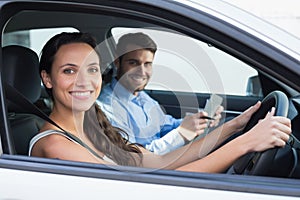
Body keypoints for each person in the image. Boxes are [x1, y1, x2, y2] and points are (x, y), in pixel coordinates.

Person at [29, 32, 291, 173]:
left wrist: (233, 128)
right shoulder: (55, 145)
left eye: (92, 69)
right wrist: (247, 143)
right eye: (69, 71)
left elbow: (160, 162)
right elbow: (156, 186)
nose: (84, 82)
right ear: (47, 79)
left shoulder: (94, 126)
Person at [98, 32, 223, 155]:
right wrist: (181, 134)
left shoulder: (142, 97)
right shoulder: (108, 107)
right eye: (133, 63)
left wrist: (199, 120)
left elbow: (165, 125)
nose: (142, 71)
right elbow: (136, 157)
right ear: (117, 62)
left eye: (147, 64)